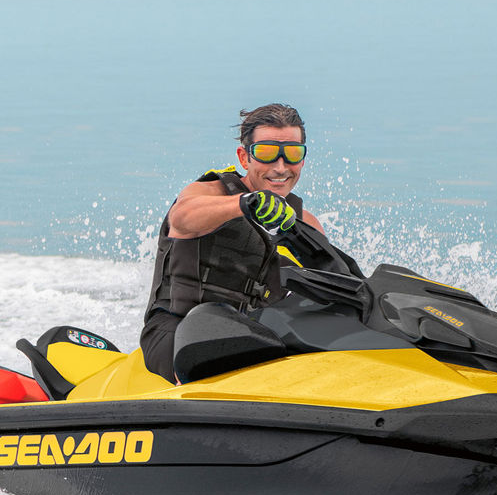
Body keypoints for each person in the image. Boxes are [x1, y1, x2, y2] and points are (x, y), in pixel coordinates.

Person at [139, 103, 362, 382]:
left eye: (292, 154)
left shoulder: (306, 224)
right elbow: (182, 218)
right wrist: (246, 204)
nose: (280, 167)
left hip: (255, 339)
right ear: (244, 157)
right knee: (208, 346)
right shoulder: (209, 194)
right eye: (267, 153)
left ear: (303, 160)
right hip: (177, 330)